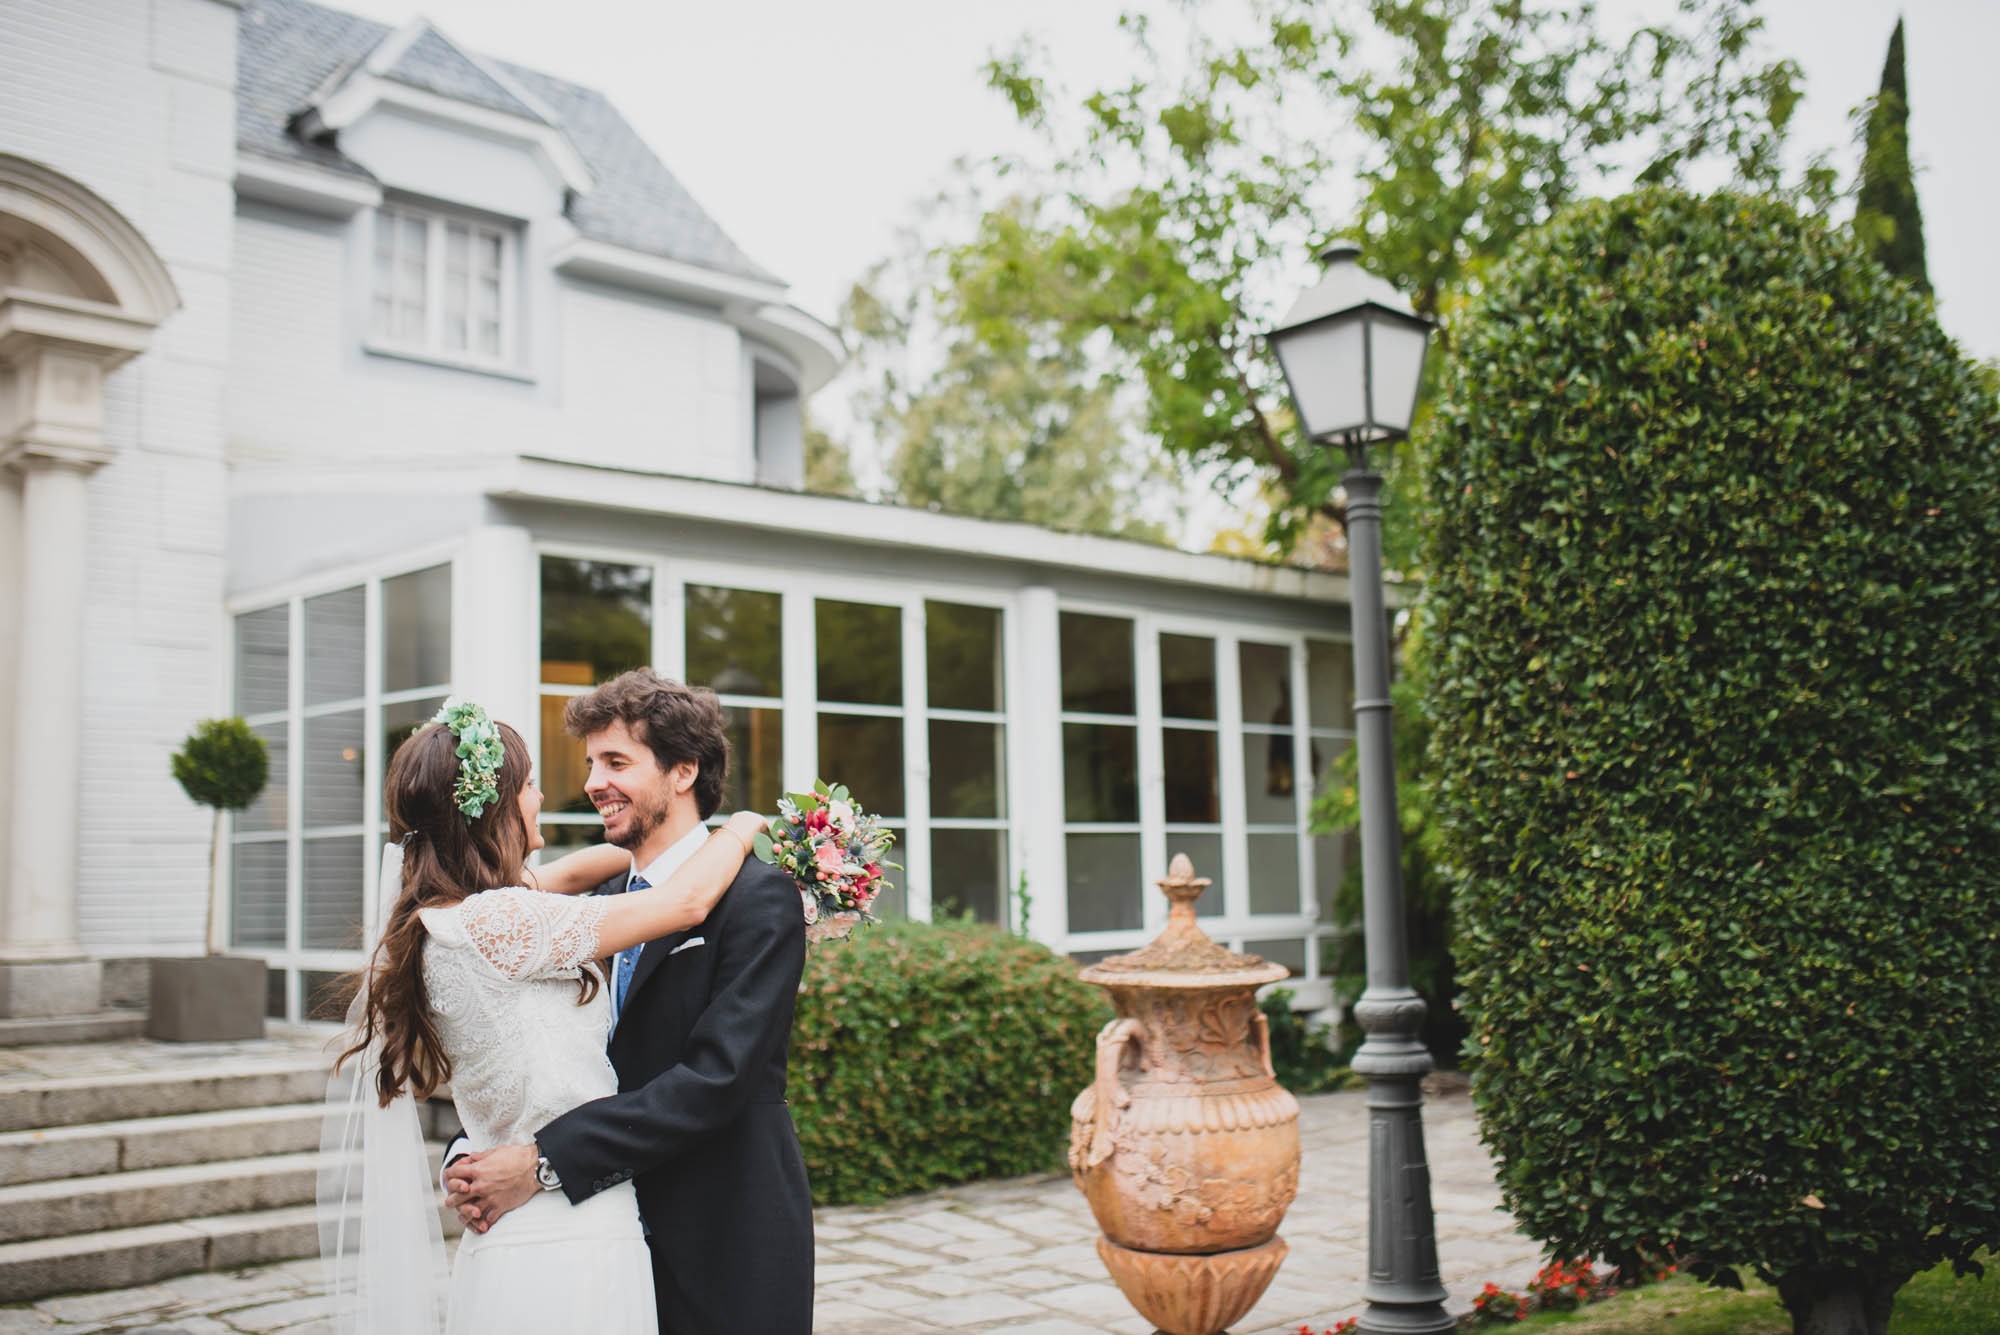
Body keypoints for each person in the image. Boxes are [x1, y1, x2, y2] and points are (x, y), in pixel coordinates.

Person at [325, 699, 763, 1335]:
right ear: (495, 807)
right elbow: (687, 903)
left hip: (510, 1226)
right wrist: (741, 827)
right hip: (569, 1232)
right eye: (529, 785)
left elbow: (574, 870)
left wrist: (652, 843)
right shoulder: (505, 920)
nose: (545, 796)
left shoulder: (450, 916)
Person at [445, 670, 814, 1335]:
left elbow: (718, 1077)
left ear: (684, 770)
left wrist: (543, 1161)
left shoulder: (759, 896)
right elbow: (541, 1049)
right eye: (591, 763)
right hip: (599, 1240)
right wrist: (477, 1149)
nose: (593, 782)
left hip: (723, 1233)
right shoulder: (600, 903)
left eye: (616, 762)